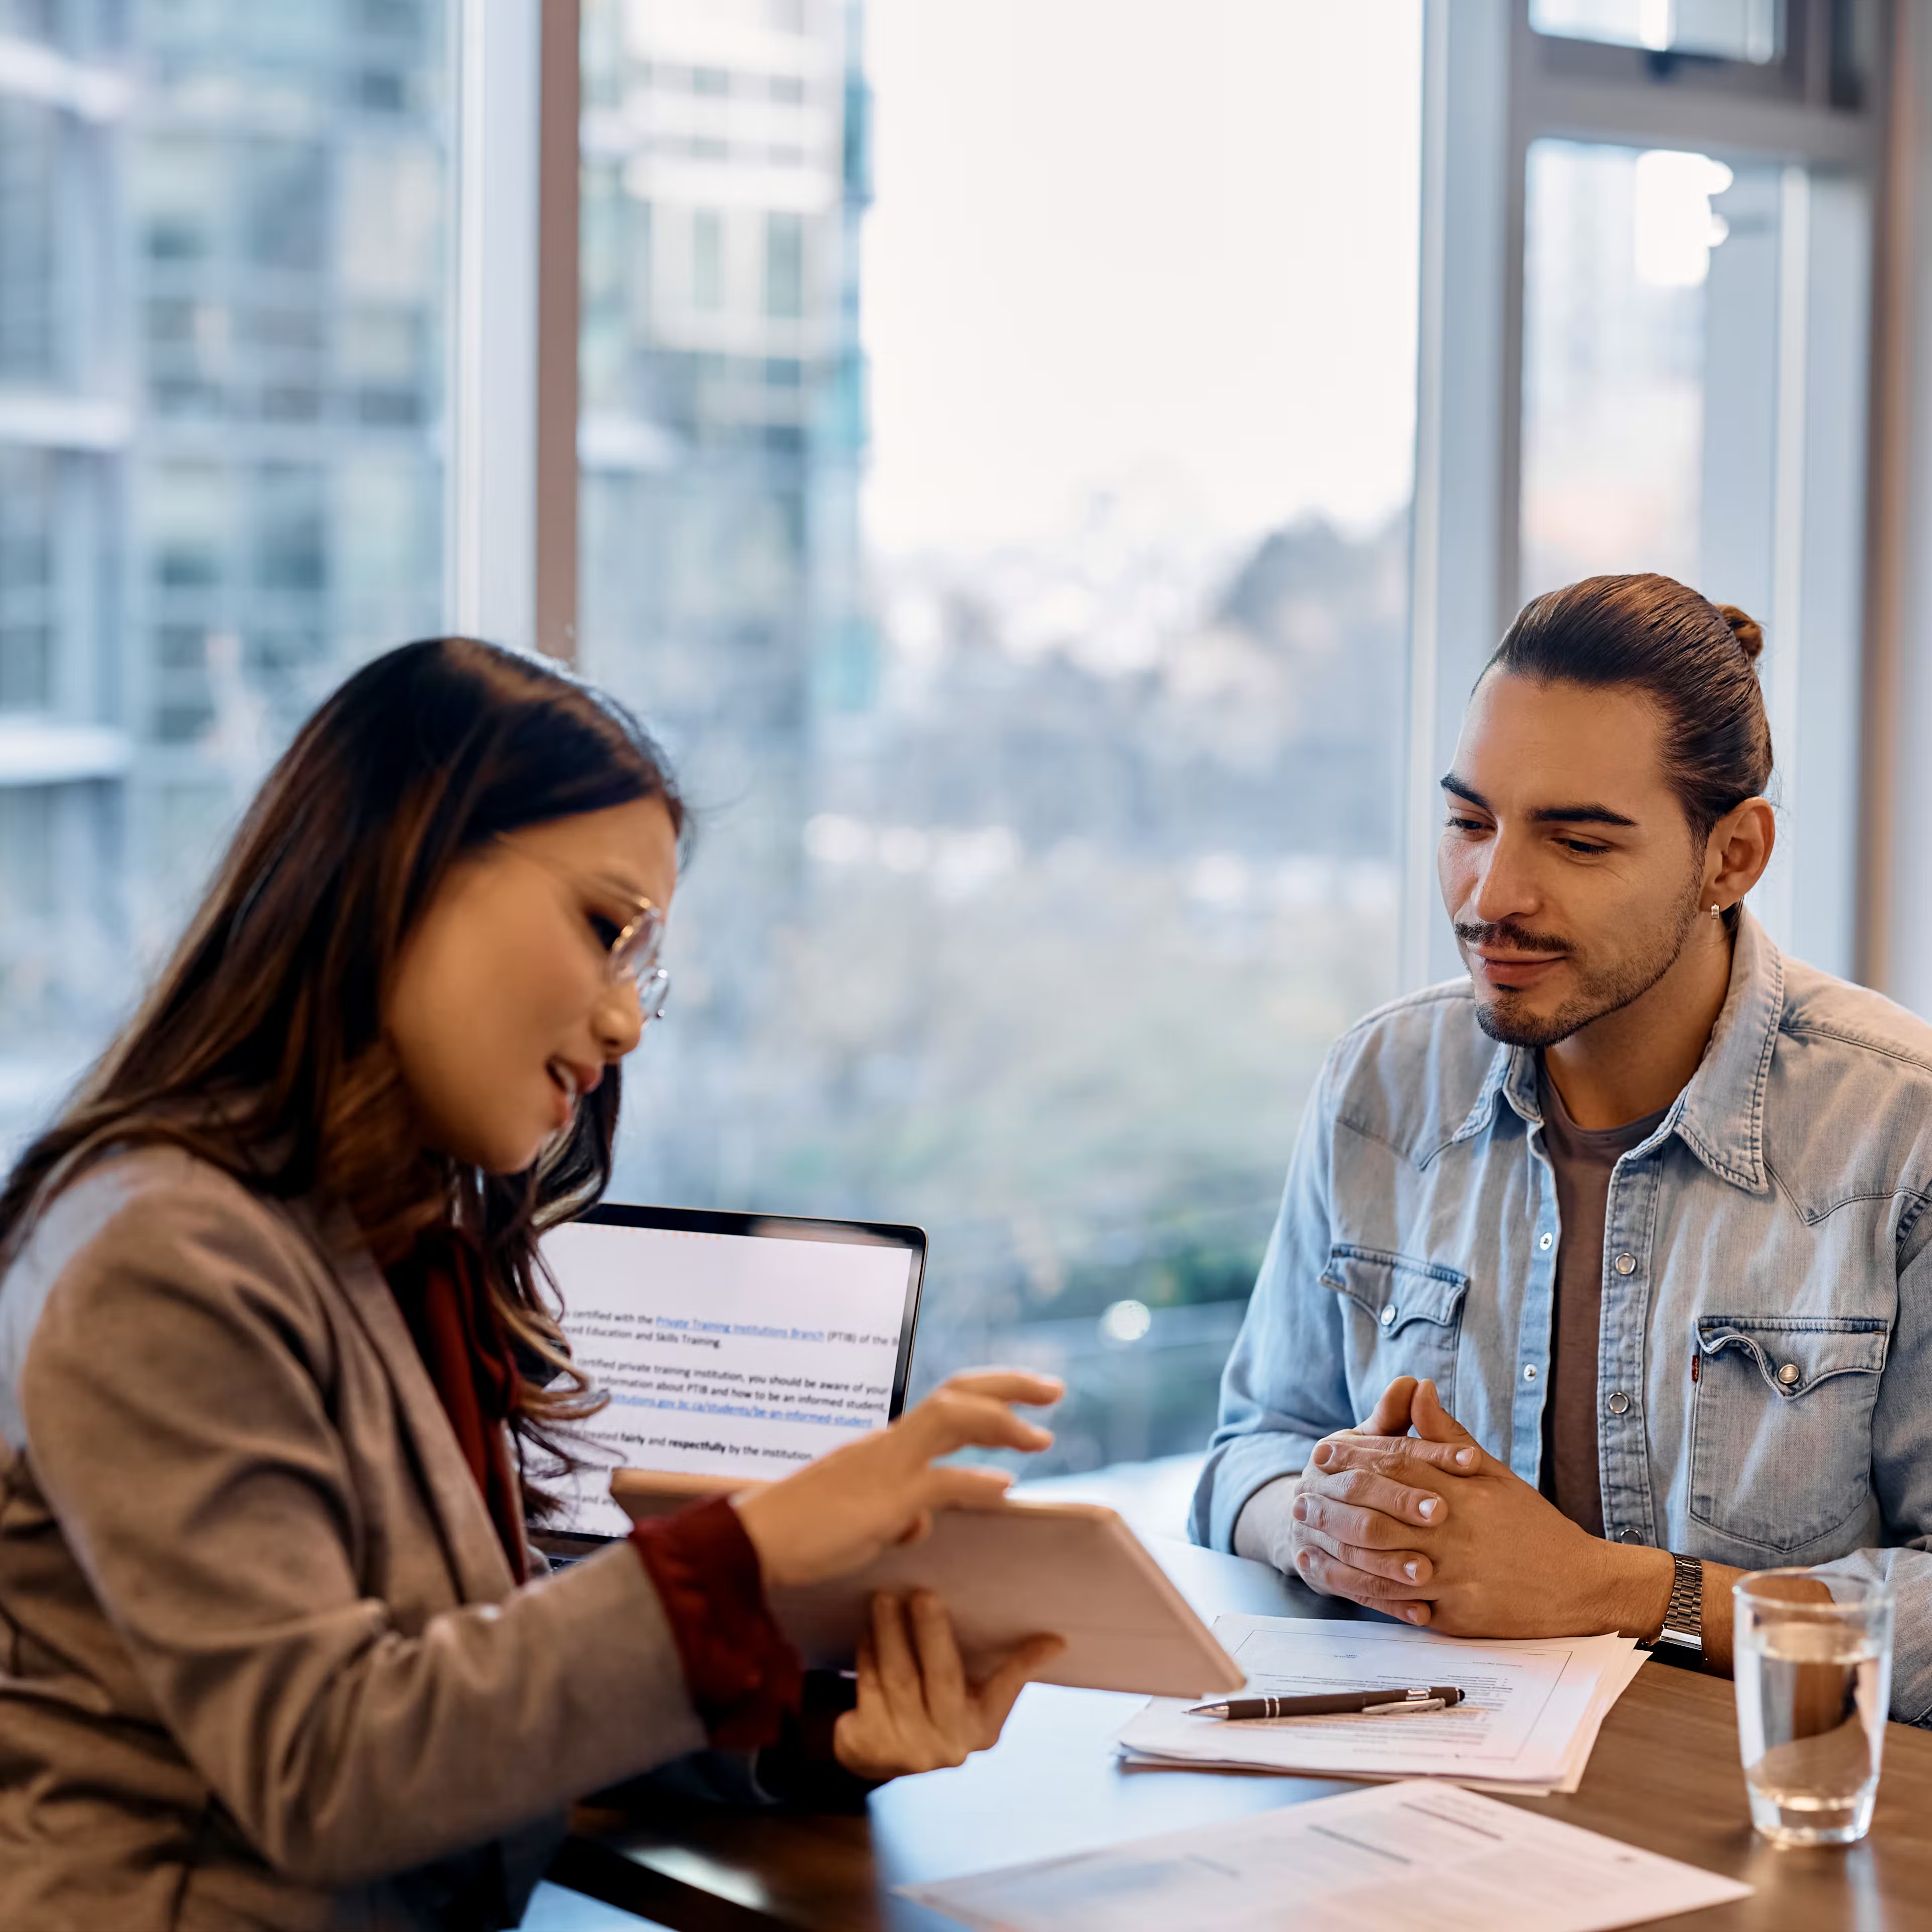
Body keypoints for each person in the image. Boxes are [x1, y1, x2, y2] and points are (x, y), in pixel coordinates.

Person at [0, 637, 1065, 1930]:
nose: (626, 1026)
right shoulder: (157, 1253)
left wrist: (803, 1735)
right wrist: (752, 1551)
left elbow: (470, 1690)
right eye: (607, 929)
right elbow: (333, 1764)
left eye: (643, 973)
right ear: (408, 861)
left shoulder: (400, 1246)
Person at [1191, 573, 1932, 1723]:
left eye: (1578, 842)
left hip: (1760, 1837)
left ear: (1732, 857)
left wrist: (1622, 1593)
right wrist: (1322, 1522)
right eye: (1469, 823)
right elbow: (1251, 1448)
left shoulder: (1903, 1126)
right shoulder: (1380, 1086)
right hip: (1419, 1812)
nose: (1493, 894)